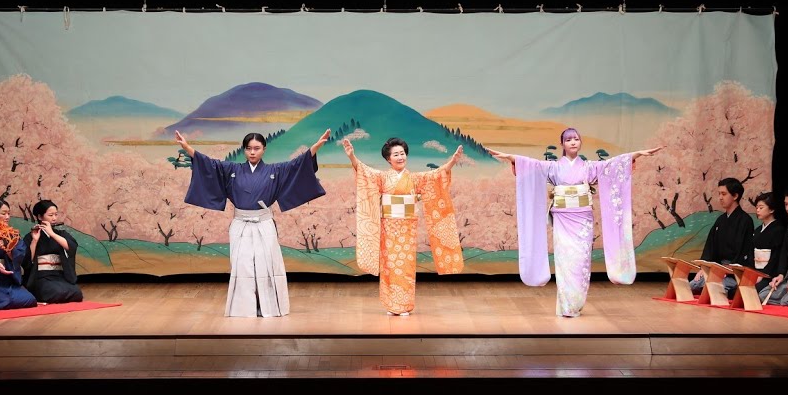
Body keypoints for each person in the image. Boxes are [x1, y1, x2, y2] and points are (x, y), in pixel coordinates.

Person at [486, 129, 660, 316]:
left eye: (576, 139)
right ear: (562, 144)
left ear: (580, 142)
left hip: (582, 219)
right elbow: (533, 165)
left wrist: (635, 155)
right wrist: (512, 158)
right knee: (565, 260)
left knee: (580, 261)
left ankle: (575, 304)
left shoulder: (589, 167)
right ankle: (566, 306)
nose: (573, 142)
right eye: (568, 140)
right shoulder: (553, 167)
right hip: (562, 218)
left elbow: (612, 165)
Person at [176, 128, 330, 317]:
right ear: (244, 150)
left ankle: (270, 307)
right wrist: (188, 147)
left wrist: (316, 147)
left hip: (264, 223)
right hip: (241, 224)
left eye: (257, 148)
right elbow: (209, 165)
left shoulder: (276, 170)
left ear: (264, 149)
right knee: (243, 266)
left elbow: (297, 165)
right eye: (248, 148)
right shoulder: (232, 170)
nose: (252, 152)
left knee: (267, 265)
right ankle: (243, 308)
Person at [342, 136, 463, 315]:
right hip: (388, 227)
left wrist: (452, 161)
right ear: (388, 159)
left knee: (405, 265)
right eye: (396, 154)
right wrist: (352, 156)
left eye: (402, 153)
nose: (400, 157)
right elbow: (363, 170)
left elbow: (436, 175)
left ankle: (404, 305)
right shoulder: (382, 177)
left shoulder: (414, 178)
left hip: (407, 228)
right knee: (389, 265)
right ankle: (391, 304)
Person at [689, 177, 754, 299]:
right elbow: (710, 246)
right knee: (690, 286)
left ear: (735, 196)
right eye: (719, 194)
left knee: (714, 289)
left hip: (733, 273)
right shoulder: (721, 220)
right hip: (717, 270)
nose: (720, 197)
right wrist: (704, 268)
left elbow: (744, 252)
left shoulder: (745, 221)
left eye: (724, 194)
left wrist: (727, 269)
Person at [22, 200, 83, 304]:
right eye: (50, 215)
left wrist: (52, 234)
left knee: (77, 293)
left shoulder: (60, 234)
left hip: (58, 275)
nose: (54, 218)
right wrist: (35, 240)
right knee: (56, 292)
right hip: (40, 277)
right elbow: (26, 260)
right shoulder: (31, 236)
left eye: (55, 214)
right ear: (40, 217)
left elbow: (71, 246)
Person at [743, 192, 786, 294]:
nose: (757, 210)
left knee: (752, 292)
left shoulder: (778, 230)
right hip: (755, 271)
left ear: (771, 209)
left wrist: (763, 275)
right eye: (757, 207)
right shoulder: (757, 230)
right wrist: (753, 273)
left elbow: (776, 256)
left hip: (769, 274)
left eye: (761, 208)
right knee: (736, 291)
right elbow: (751, 252)